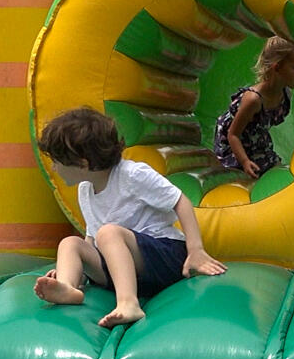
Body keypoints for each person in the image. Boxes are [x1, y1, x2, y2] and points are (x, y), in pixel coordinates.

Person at [33, 107, 226, 328]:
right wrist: (78, 267)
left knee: (108, 233)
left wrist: (196, 251)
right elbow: (91, 239)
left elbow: (179, 201)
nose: (54, 168)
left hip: (164, 258)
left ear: (83, 163)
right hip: (122, 271)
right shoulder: (85, 189)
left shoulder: (132, 175)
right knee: (70, 243)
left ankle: (128, 303)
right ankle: (68, 287)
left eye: (58, 161)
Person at [213, 36, 294, 180]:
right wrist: (244, 162)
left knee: (274, 170)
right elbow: (233, 134)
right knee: (247, 177)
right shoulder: (253, 100)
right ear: (277, 67)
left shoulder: (286, 93)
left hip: (254, 135)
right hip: (232, 141)